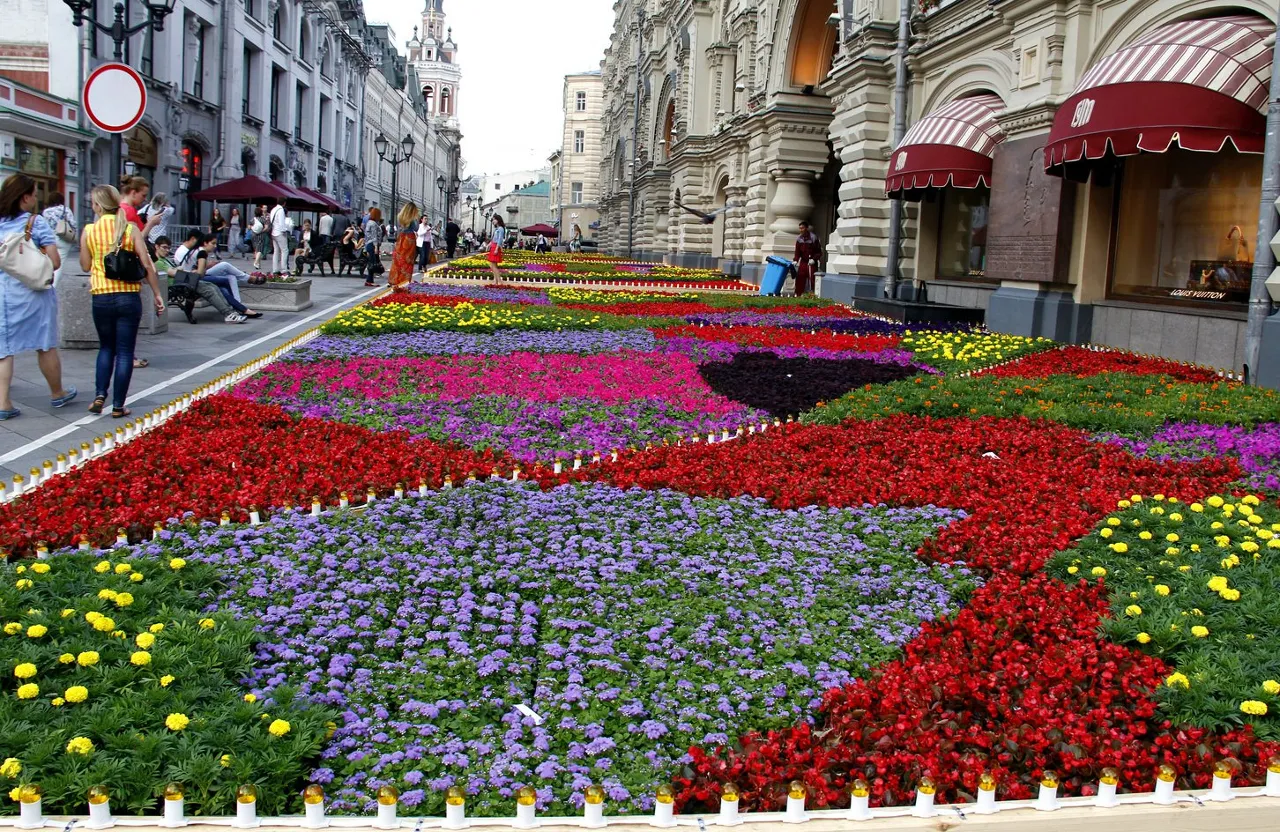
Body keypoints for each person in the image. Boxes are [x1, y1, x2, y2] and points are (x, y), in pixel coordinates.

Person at [80, 184, 164, 419]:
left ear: (97, 206)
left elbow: (85, 265)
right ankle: (118, 406)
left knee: (106, 347)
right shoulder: (129, 229)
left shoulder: (89, 230)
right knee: (125, 352)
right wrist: (157, 294)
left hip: (101, 296)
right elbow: (147, 264)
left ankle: (99, 395)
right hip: (128, 297)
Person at [0, 175, 75, 420]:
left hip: (3, 294)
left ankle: (3, 403)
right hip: (34, 293)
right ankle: (57, 393)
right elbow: (54, 261)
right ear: (25, 197)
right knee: (45, 344)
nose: (35, 198)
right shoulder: (36, 222)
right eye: (33, 194)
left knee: (4, 349)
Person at [153, 236, 245, 325]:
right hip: (177, 286)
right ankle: (228, 314)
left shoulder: (165, 260)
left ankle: (230, 312)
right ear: (156, 246)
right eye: (164, 247)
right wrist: (180, 269)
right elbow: (174, 273)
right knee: (209, 290)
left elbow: (177, 270)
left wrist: (181, 269)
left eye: (169, 248)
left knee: (212, 286)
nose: (167, 250)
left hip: (183, 282)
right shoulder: (158, 262)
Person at [173, 232, 262, 317]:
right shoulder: (201, 252)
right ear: (205, 243)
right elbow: (200, 274)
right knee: (225, 275)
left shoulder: (197, 251)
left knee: (228, 280)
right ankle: (238, 306)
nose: (215, 246)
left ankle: (239, 307)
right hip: (193, 280)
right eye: (213, 243)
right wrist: (203, 267)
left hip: (192, 278)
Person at [40, 192, 77, 278]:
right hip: (64, 238)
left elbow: (44, 226)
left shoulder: (46, 212)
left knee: (49, 263)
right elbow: (73, 224)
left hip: (50, 240)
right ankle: (54, 285)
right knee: (59, 264)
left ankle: (46, 281)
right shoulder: (66, 210)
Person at [390, 203, 420, 291]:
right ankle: (404, 282)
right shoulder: (413, 219)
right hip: (409, 239)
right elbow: (416, 228)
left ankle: (396, 281)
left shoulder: (400, 216)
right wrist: (416, 218)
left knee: (398, 260)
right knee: (408, 262)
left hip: (401, 238)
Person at [792, 220, 824, 296]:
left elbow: (819, 252)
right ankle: (798, 294)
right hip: (803, 261)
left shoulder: (813, 238)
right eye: (800, 228)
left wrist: (814, 259)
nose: (801, 230)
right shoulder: (799, 239)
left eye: (802, 228)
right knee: (800, 277)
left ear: (806, 228)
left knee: (812, 279)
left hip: (811, 262)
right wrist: (796, 260)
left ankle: (813, 294)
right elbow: (797, 252)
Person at [266, 199, 288, 277]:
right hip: (280, 232)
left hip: (273, 232)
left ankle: (275, 269)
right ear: (284, 203)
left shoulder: (273, 209)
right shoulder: (281, 210)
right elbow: (282, 223)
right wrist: (285, 231)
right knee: (284, 250)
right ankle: (284, 270)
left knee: (276, 251)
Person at [363, 207, 383, 287]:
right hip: (372, 245)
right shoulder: (374, 224)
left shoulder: (368, 223)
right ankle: (369, 280)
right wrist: (376, 247)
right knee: (372, 263)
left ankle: (369, 280)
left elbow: (367, 236)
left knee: (371, 262)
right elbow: (374, 236)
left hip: (368, 244)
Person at [486, 215, 507, 281]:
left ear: (498, 220)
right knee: (493, 265)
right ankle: (495, 280)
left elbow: (500, 239)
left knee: (493, 266)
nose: (493, 221)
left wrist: (496, 248)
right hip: (493, 246)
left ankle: (499, 281)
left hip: (496, 247)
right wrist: (489, 245)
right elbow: (493, 239)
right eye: (492, 220)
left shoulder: (501, 228)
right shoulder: (496, 229)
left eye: (494, 219)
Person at [250, 206, 271, 272]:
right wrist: (262, 231)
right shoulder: (263, 219)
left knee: (256, 248)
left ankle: (258, 264)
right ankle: (256, 262)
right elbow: (266, 227)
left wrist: (253, 229)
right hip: (260, 235)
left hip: (253, 234)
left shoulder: (252, 219)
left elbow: (249, 226)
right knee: (260, 250)